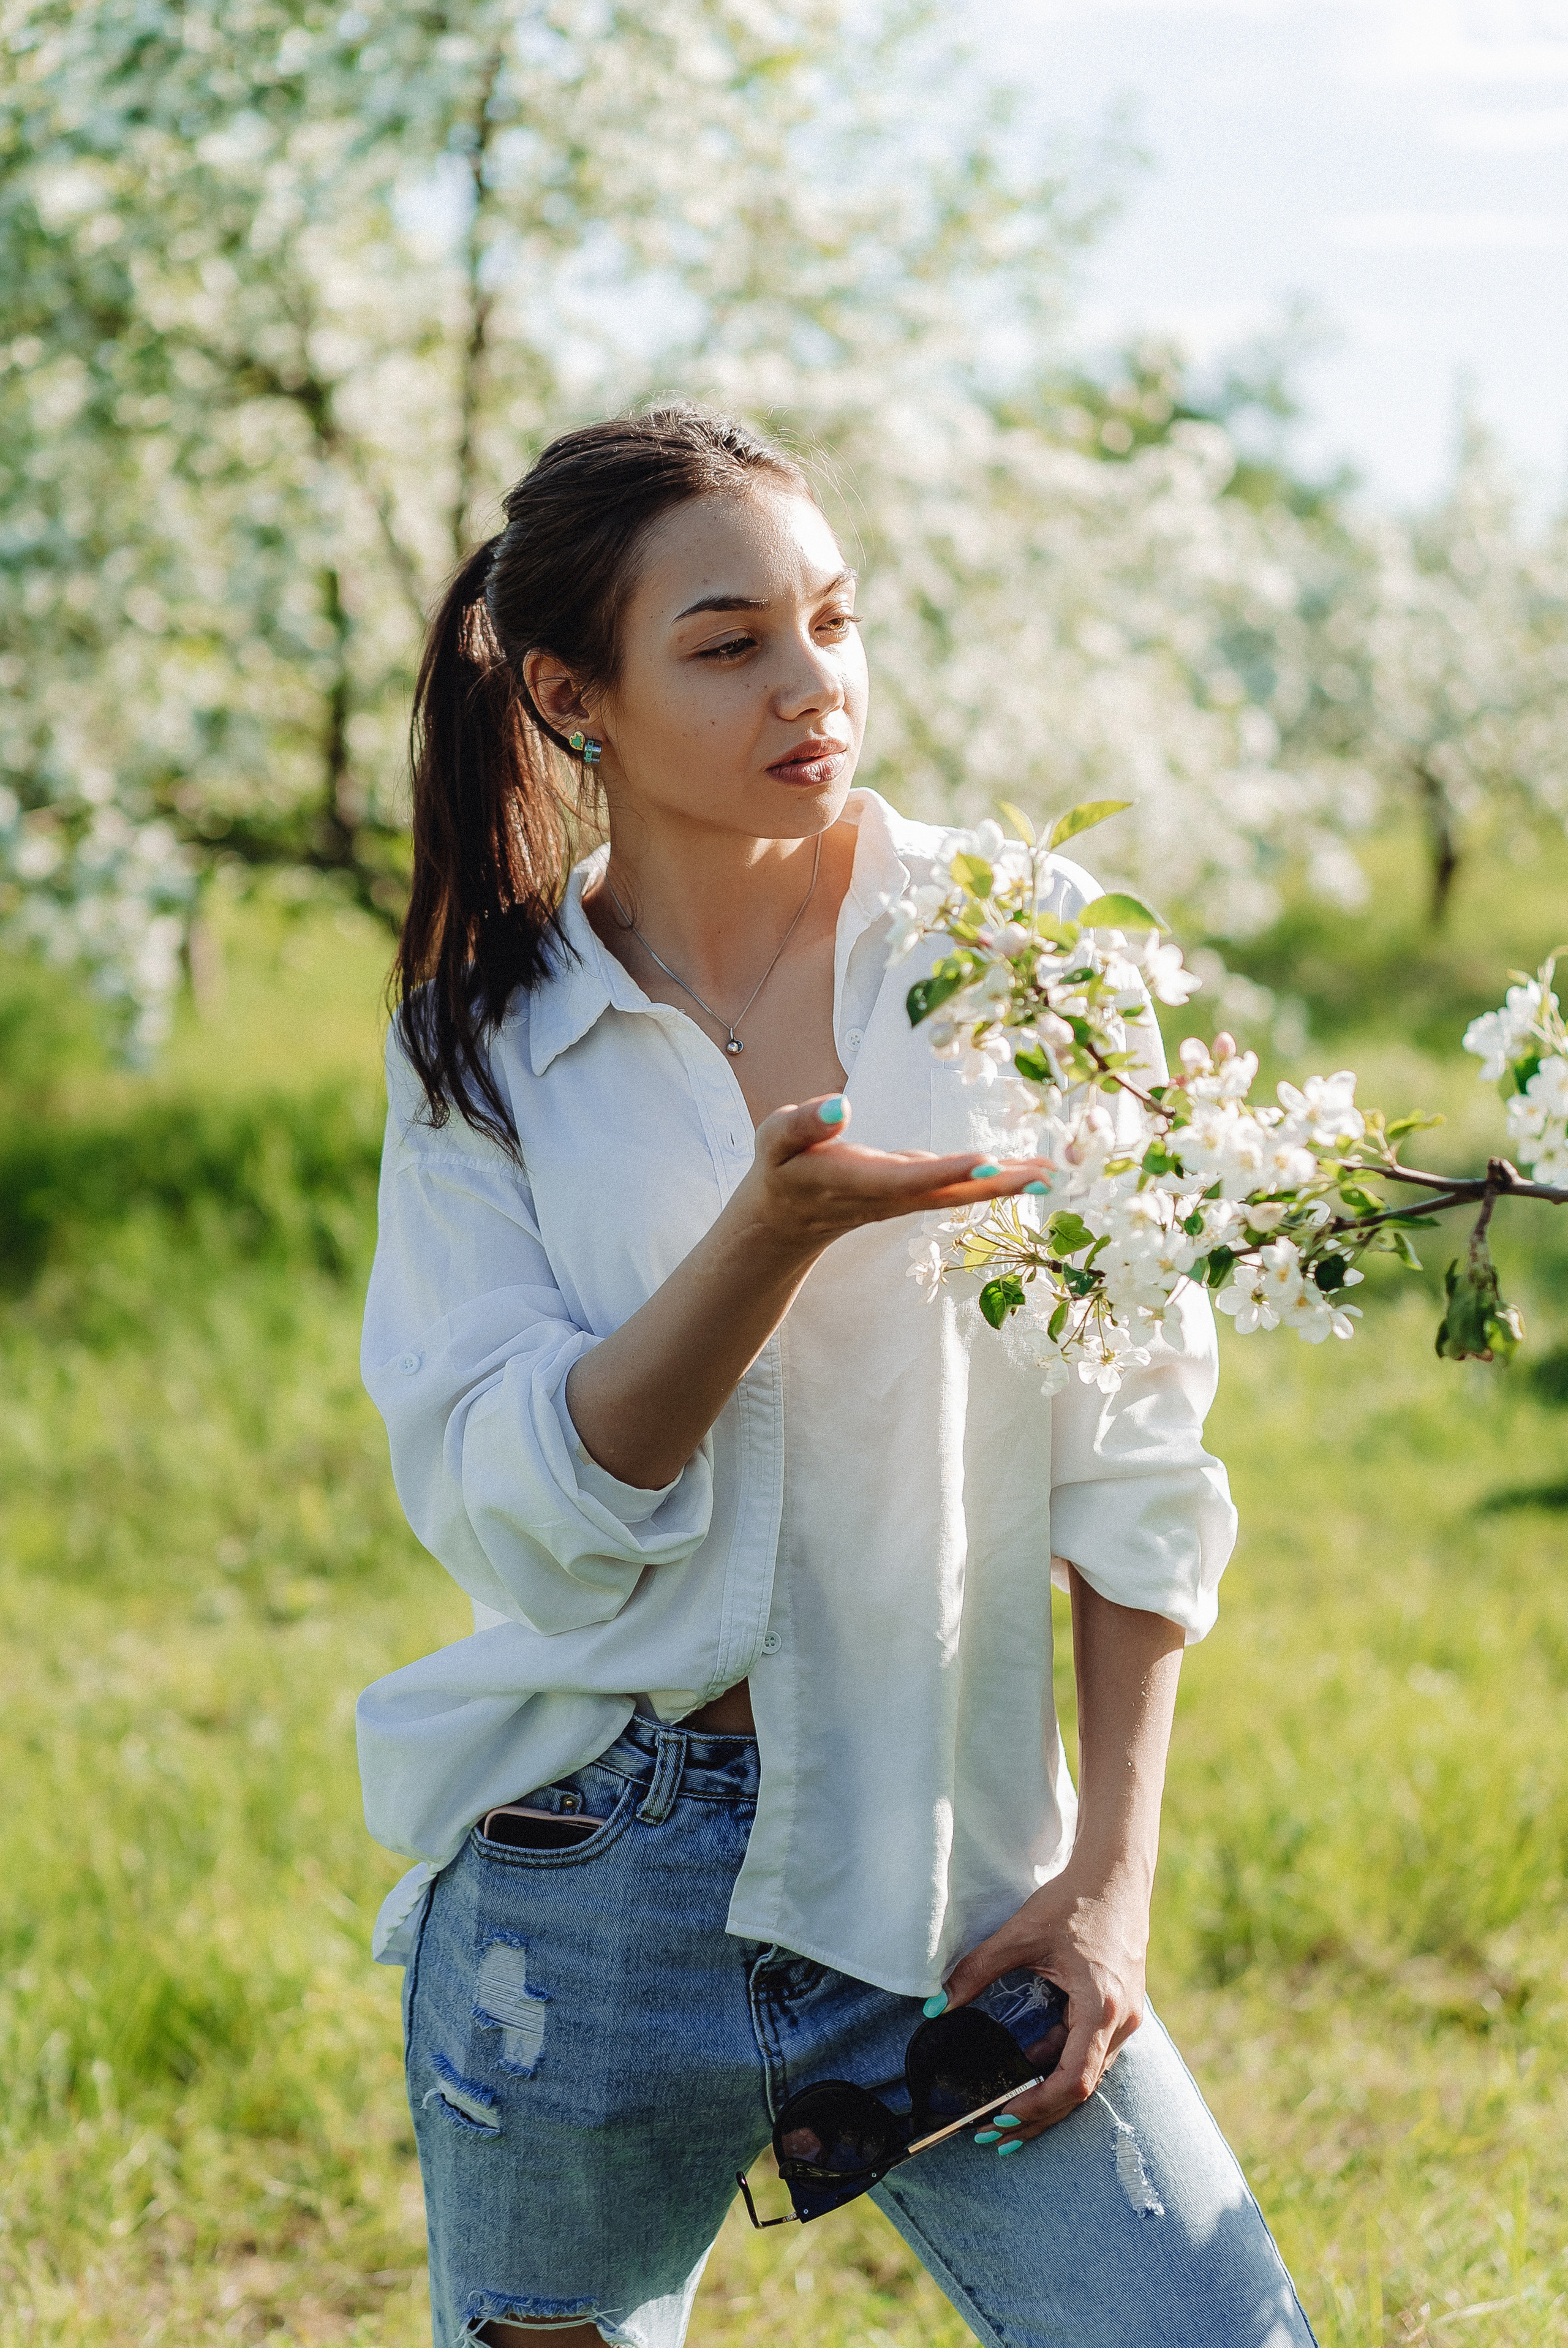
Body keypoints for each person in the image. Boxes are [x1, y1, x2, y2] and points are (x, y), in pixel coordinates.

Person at [356, 404, 1317, 2348]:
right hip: (585, 1887)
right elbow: (522, 1504)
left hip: (956, 1865)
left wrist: (1108, 1885)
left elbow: (1139, 1459)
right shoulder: (487, 1036)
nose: (815, 686)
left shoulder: (1018, 957)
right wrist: (770, 1231)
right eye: (728, 645)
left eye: (835, 620)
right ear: (572, 694)